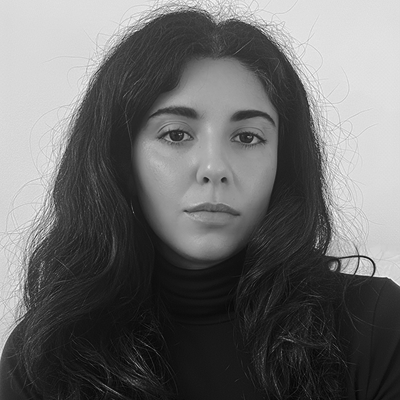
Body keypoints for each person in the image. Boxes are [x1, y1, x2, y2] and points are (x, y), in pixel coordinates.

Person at [1, 5, 399, 400]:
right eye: (176, 135)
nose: (214, 168)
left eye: (247, 138)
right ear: (122, 160)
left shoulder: (376, 326)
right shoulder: (45, 354)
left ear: (284, 163)